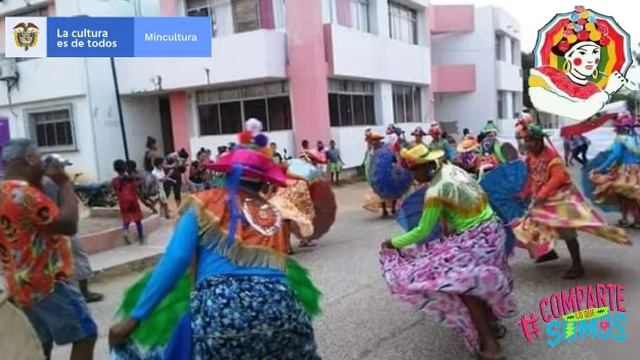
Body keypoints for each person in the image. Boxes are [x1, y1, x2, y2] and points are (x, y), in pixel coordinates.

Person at [109, 124, 321, 359]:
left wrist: (135, 317)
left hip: (221, 316)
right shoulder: (274, 215)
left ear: (227, 173)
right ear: (263, 182)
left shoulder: (203, 203)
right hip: (283, 314)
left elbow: (177, 259)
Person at [380, 144, 515, 360]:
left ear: (426, 166)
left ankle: (492, 347)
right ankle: (492, 324)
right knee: (474, 280)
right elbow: (459, 206)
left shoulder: (435, 191)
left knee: (461, 284)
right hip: (494, 233)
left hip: (477, 240)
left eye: (415, 170)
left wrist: (393, 243)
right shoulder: (453, 170)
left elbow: (422, 230)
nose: (413, 176)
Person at [0, 139, 97, 360]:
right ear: (29, 159)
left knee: (39, 344)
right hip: (49, 283)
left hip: (19, 284)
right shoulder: (25, 195)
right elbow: (68, 225)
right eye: (39, 158)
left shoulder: (5, 191)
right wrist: (64, 183)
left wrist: (40, 181)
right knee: (85, 335)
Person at [513, 124, 630, 279]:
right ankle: (549, 252)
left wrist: (541, 197)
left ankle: (577, 265)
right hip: (543, 196)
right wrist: (524, 193)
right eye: (527, 141)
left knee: (566, 229)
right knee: (535, 225)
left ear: (541, 141)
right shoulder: (531, 158)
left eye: (532, 141)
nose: (529, 144)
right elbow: (531, 177)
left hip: (562, 198)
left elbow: (557, 179)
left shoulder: (553, 158)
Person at [529, 6, 628, 121]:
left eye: (595, 52)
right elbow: (577, 112)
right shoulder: (545, 75)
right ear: (568, 56)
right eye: (582, 52)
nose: (590, 59)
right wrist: (608, 91)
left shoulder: (595, 90)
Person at [42, 155, 104, 303]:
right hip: (62, 226)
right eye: (60, 166)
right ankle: (82, 293)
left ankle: (80, 292)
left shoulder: (49, 182)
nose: (63, 169)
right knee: (76, 257)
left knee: (73, 259)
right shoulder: (51, 183)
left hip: (60, 226)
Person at [590, 113, 640, 228]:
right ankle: (637, 219)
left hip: (625, 170)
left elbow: (615, 155)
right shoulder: (637, 138)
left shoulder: (620, 138)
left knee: (622, 195)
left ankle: (625, 218)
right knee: (634, 195)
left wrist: (601, 168)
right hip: (637, 170)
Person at [113, 159, 145, 245]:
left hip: (122, 201)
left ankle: (126, 231)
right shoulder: (130, 179)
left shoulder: (115, 180)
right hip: (132, 199)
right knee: (137, 218)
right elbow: (139, 182)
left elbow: (115, 191)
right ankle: (141, 236)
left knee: (126, 218)